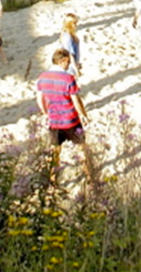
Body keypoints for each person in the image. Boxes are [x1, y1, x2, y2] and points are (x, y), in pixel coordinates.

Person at [35, 48, 97, 186]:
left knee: (55, 152)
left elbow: (40, 99)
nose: (69, 65)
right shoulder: (68, 78)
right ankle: (89, 178)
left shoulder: (42, 77)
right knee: (82, 149)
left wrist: (46, 113)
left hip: (54, 121)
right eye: (68, 62)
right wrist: (83, 114)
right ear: (62, 61)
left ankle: (53, 180)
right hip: (70, 120)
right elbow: (76, 100)